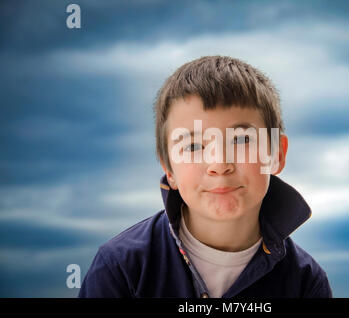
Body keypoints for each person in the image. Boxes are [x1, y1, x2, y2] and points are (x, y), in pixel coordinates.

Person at [79, 56, 332, 298]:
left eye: (242, 140)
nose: (219, 164)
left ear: (277, 154)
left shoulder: (306, 282)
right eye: (192, 146)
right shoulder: (119, 269)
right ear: (169, 169)